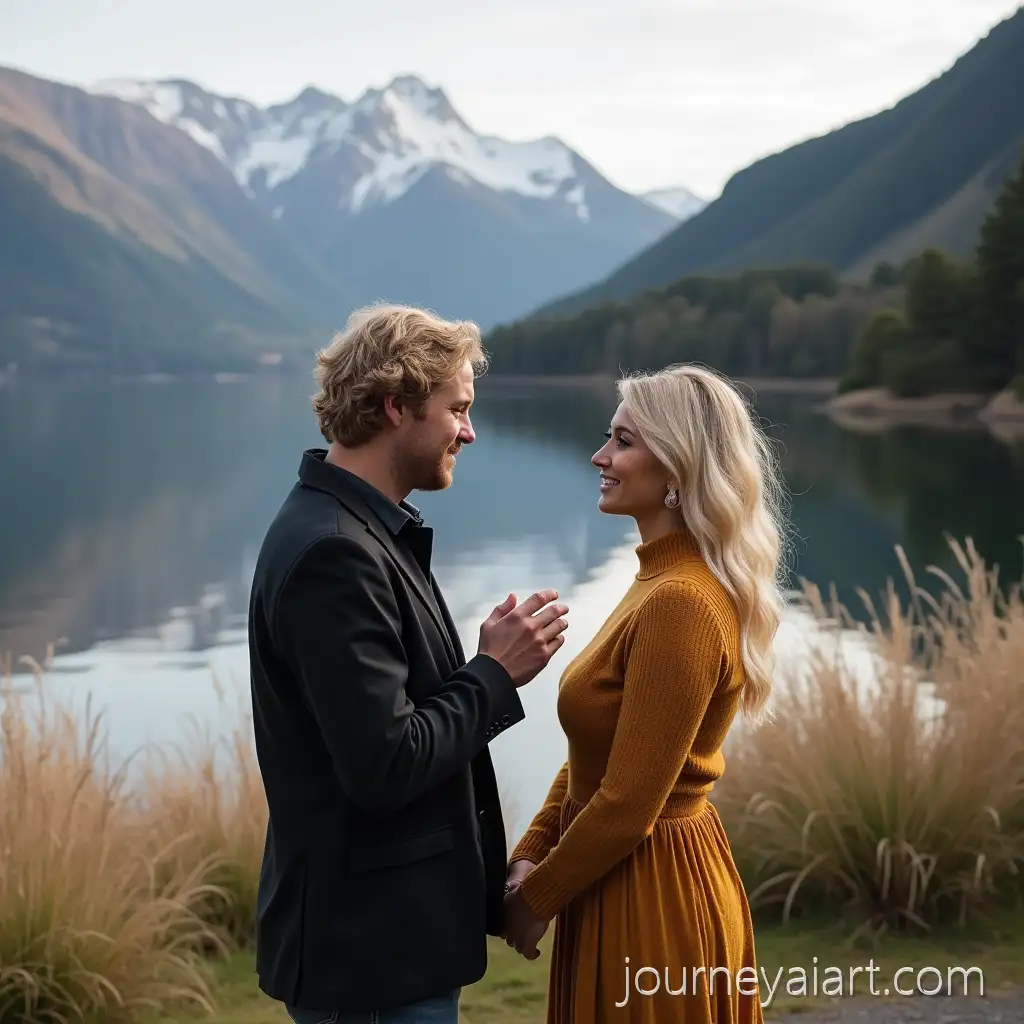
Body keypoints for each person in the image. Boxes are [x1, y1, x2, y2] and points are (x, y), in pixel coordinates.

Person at [247, 304, 570, 1024]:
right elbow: (385, 764)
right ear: (397, 406)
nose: (469, 430)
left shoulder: (358, 529)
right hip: (371, 960)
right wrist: (494, 672)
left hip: (387, 947)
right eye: (456, 409)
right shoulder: (335, 552)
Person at [501, 364, 787, 1023]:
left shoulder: (680, 602)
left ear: (678, 470)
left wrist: (533, 899)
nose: (600, 456)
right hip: (620, 877)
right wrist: (534, 850)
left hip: (652, 895)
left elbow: (630, 803)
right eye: (609, 437)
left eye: (623, 442)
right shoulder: (658, 582)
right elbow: (596, 757)